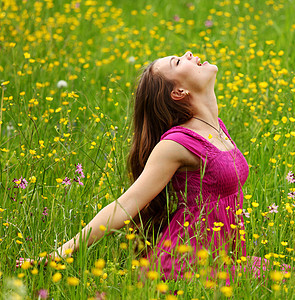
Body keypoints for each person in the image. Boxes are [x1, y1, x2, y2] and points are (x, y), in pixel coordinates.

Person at [18, 51, 253, 281]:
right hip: (186, 266)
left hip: (221, 258)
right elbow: (126, 205)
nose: (190, 53)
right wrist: (59, 253)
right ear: (179, 91)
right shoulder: (177, 144)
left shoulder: (215, 127)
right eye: (178, 61)